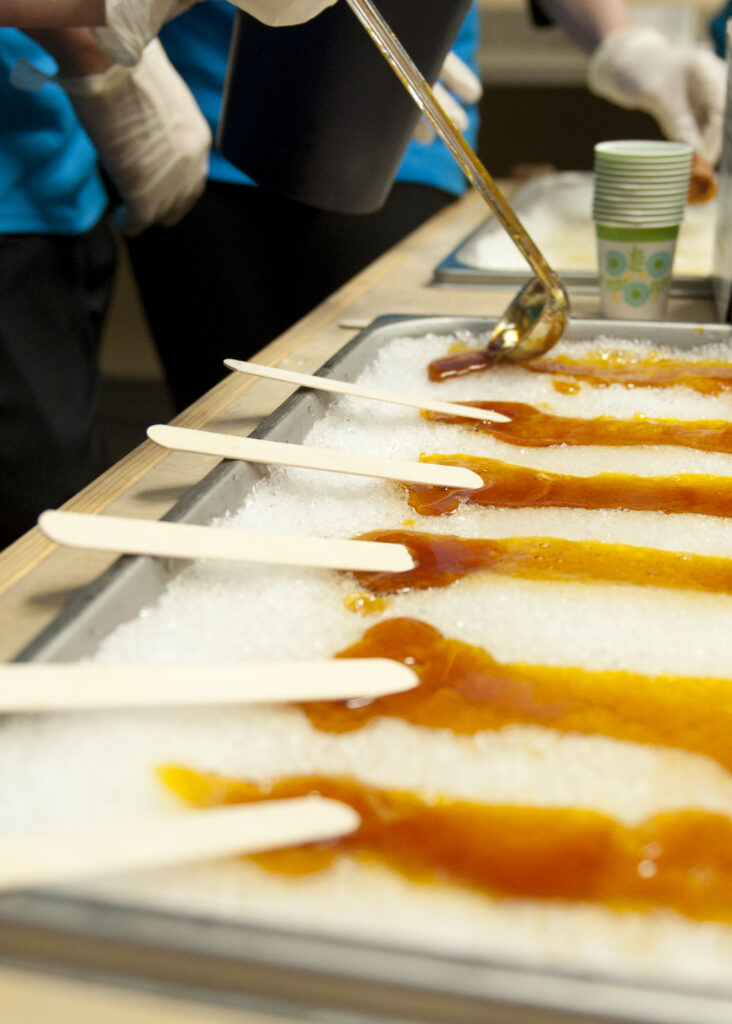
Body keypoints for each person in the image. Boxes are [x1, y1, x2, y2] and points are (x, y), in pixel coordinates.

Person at [0, 24, 210, 548]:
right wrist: (90, 44)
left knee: (67, 492)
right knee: (36, 534)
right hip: (13, 197)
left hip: (57, 166)